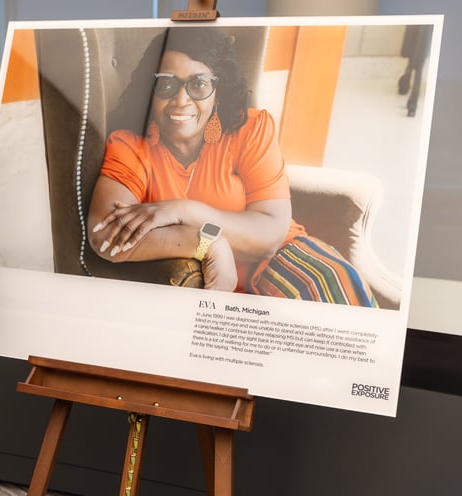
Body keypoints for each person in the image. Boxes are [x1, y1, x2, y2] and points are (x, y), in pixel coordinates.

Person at [88, 27, 377, 307]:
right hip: (208, 280)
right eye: (167, 83)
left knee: (334, 287)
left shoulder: (250, 129)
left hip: (281, 257)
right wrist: (207, 243)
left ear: (218, 90)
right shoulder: (130, 147)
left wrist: (184, 210)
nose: (181, 99)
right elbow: (104, 235)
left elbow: (270, 235)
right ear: (150, 90)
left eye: (198, 84)